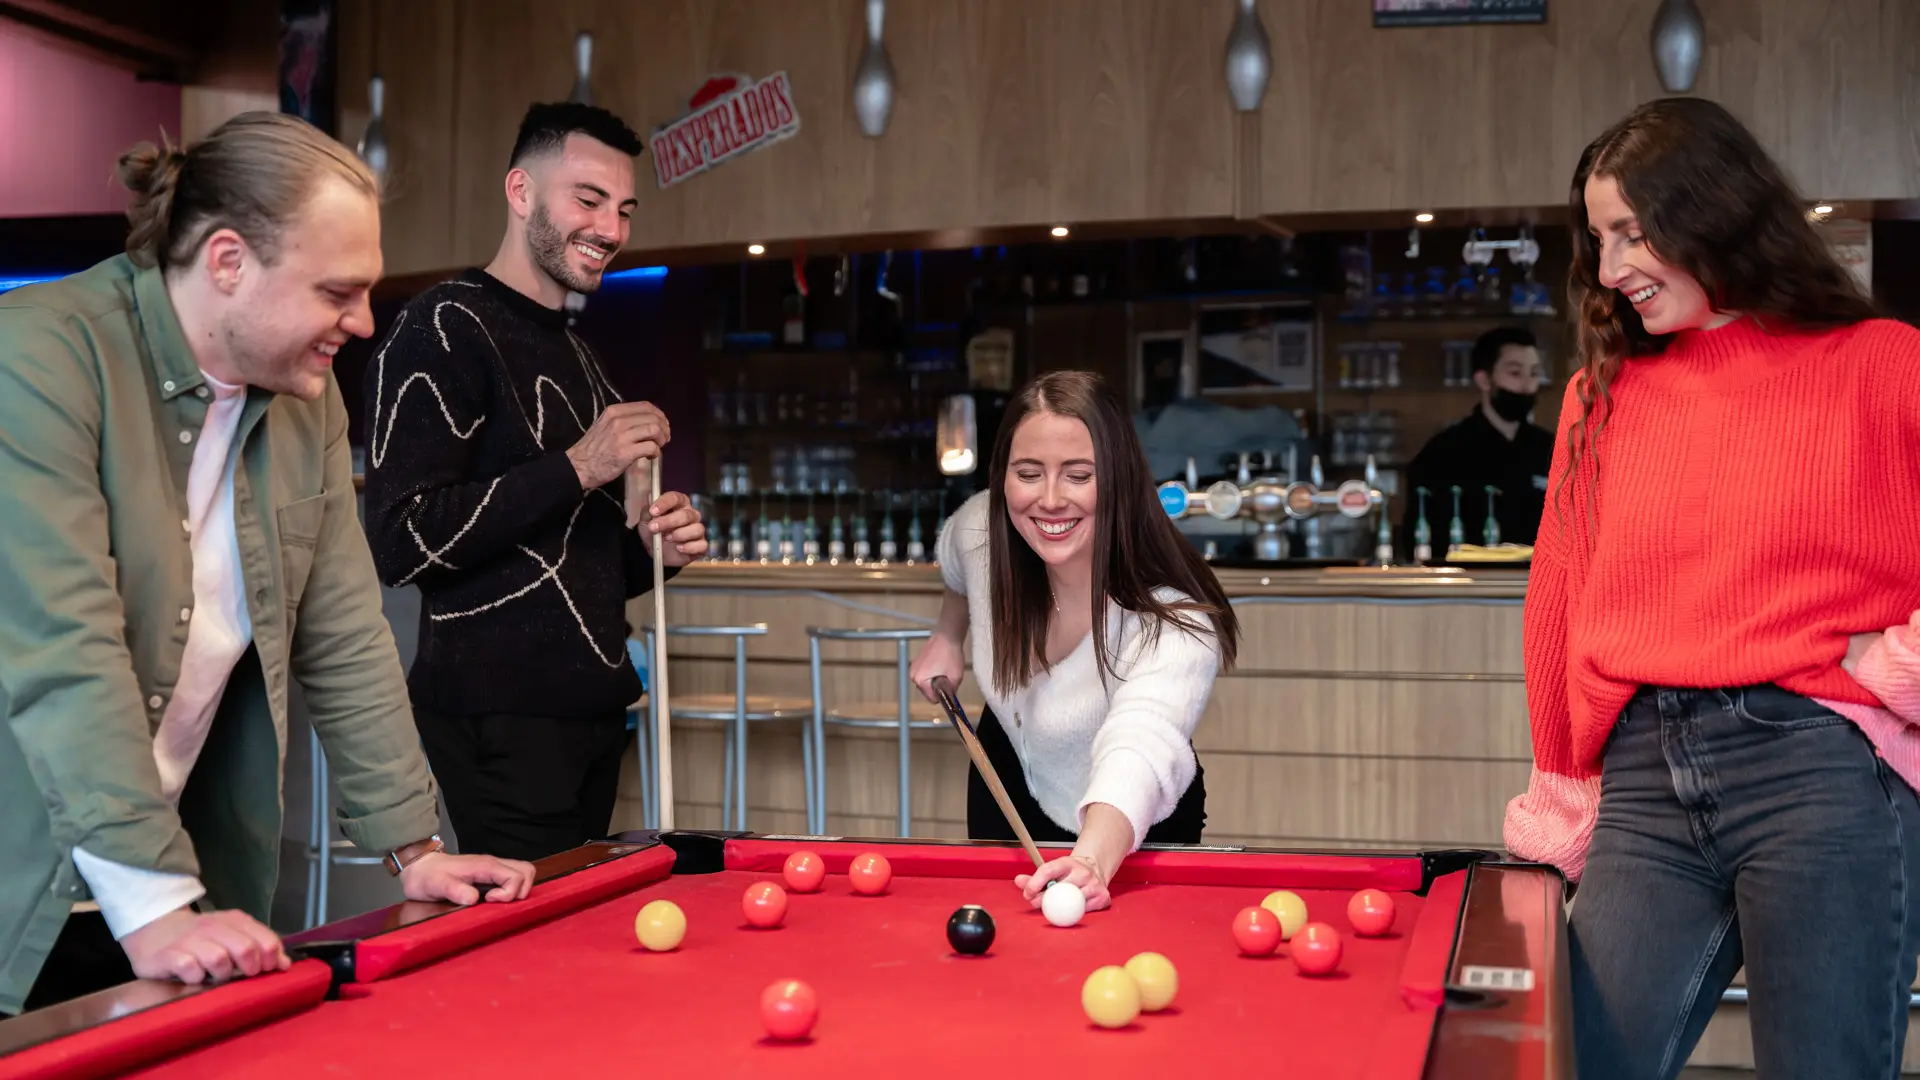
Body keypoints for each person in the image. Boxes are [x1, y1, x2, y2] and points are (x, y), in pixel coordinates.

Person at [0, 113, 535, 1018]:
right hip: (39, 878)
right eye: (338, 291)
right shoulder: (38, 356)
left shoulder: (305, 405)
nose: (363, 324)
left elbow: (345, 631)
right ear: (226, 262)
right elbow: (65, 644)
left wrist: (418, 849)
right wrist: (159, 903)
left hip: (157, 884)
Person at [1501, 96, 1920, 1080]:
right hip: (1648, 779)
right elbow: (1558, 600)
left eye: (1633, 234)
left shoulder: (1884, 366)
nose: (1610, 271)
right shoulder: (1597, 398)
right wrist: (1561, 795)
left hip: (1822, 775)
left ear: (1716, 212)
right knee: (1579, 1065)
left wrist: (1901, 664)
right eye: (1597, 241)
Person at [362, 102, 707, 864]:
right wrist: (581, 465)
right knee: (537, 945)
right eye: (587, 200)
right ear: (521, 192)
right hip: (495, 716)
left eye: (623, 209)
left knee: (578, 943)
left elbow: (567, 568)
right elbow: (401, 541)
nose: (611, 229)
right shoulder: (443, 325)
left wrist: (652, 550)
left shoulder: (579, 356)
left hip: (591, 709)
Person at [909, 371, 1240, 913]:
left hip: (1130, 830)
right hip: (1005, 773)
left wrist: (1089, 862)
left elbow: (1142, 741)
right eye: (1028, 474)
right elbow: (955, 560)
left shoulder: (1174, 618)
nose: (1051, 499)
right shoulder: (981, 529)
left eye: (1079, 475)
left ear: (1119, 480)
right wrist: (948, 634)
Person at [1398, 325, 1552, 556]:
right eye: (1515, 373)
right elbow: (1419, 541)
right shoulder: (1442, 454)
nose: (1527, 385)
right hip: (1463, 586)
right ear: (1484, 380)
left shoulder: (1553, 448)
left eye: (1533, 373)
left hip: (1540, 584)